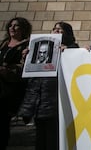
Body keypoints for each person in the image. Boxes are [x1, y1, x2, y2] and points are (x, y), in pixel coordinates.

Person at [19, 21, 79, 150]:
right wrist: (28, 59)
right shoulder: (42, 48)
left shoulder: (72, 48)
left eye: (60, 30)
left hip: (57, 99)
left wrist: (68, 53)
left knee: (54, 137)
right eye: (54, 29)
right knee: (40, 137)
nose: (56, 31)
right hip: (40, 100)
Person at [0, 17, 32, 150]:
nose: (12, 28)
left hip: (9, 91)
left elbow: (24, 68)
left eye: (16, 26)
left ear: (23, 29)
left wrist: (6, 70)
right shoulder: (3, 44)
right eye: (11, 25)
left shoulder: (26, 46)